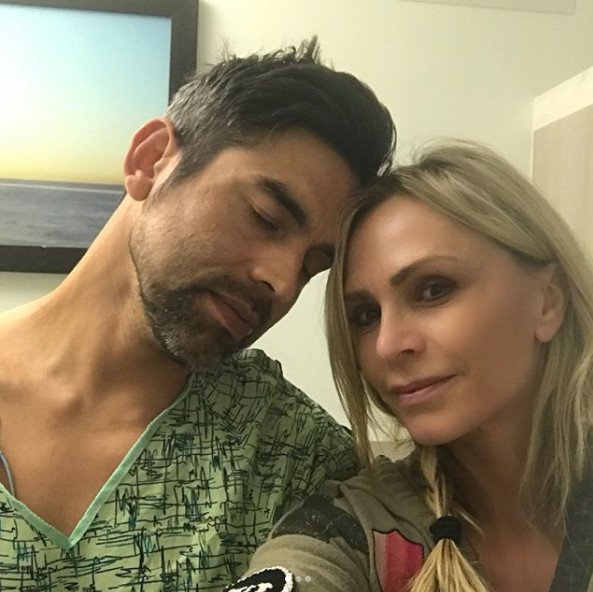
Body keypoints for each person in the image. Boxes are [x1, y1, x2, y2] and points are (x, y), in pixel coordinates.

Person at [0, 39, 395, 590]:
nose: (283, 282)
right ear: (150, 160)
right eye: (265, 217)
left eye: (312, 266)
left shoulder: (292, 456)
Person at [226, 142, 593, 592]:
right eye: (365, 315)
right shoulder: (355, 529)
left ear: (547, 301)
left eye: (434, 289)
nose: (387, 345)